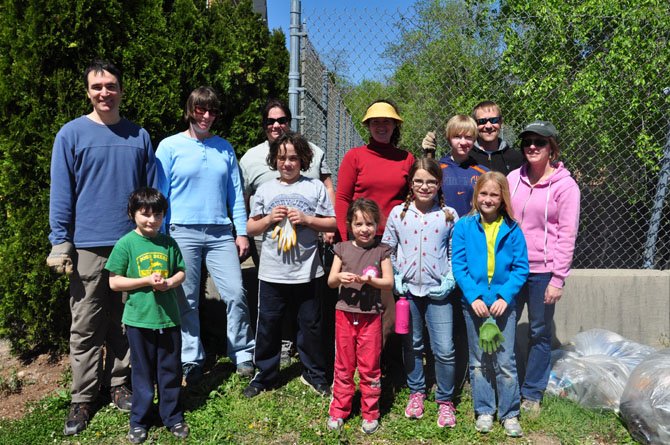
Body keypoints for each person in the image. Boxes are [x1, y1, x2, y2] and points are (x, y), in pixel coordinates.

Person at [47, 60, 156, 435]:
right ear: (88, 92)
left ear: (122, 90)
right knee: (86, 324)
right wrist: (60, 241)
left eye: (110, 85)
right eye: (97, 87)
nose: (104, 92)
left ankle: (118, 384)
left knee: (126, 323)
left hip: (132, 244)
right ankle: (82, 398)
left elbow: (152, 194)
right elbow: (62, 192)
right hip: (88, 247)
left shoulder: (138, 136)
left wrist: (156, 237)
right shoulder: (71, 134)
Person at [155, 86, 254, 384]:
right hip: (181, 231)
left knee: (236, 293)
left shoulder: (224, 147)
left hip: (220, 233)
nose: (206, 116)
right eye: (201, 109)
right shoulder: (169, 147)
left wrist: (242, 232)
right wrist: (160, 236)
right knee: (187, 299)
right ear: (190, 110)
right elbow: (159, 193)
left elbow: (235, 194)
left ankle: (243, 352)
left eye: (212, 111)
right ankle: (191, 359)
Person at [239, 98, 336, 368]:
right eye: (282, 159)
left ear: (302, 160)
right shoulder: (264, 189)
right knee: (268, 320)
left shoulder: (314, 187)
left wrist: (308, 219)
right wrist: (270, 218)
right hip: (272, 268)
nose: (287, 163)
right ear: (274, 161)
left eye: (293, 158)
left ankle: (314, 372)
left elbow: (332, 222)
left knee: (310, 322)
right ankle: (266, 373)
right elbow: (251, 225)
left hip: (307, 269)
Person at [335, 99, 415, 385]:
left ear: (395, 125)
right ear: (368, 125)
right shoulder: (355, 156)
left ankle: (387, 367)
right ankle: (352, 367)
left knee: (389, 304)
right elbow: (343, 198)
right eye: (376, 121)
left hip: (391, 242)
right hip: (359, 239)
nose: (382, 126)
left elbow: (413, 197)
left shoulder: (406, 159)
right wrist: (347, 244)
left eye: (387, 121)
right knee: (358, 303)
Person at [508, 121, 580, 417]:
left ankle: (532, 393)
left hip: (543, 272)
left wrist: (558, 279)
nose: (532, 147)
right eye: (527, 142)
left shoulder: (566, 186)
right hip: (511, 269)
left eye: (540, 141)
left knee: (539, 332)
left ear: (552, 148)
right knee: (504, 328)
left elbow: (567, 235)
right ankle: (507, 386)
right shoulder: (512, 178)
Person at [104, 188, 188, 443]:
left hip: (169, 318)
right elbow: (114, 282)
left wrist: (171, 283)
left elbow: (181, 272)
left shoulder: (168, 243)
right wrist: (144, 281)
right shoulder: (126, 243)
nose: (152, 220)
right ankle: (139, 419)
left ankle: (172, 416)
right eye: (145, 214)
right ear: (133, 214)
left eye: (158, 214)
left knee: (170, 370)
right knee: (141, 372)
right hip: (138, 321)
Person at [382, 158, 460, 428]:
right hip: (408, 295)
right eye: (419, 181)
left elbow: (454, 253)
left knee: (444, 349)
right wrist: (396, 277)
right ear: (411, 184)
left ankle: (445, 399)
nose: (424, 186)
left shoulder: (449, 215)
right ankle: (416, 391)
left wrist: (450, 278)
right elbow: (387, 248)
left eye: (430, 181)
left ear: (439, 184)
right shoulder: (398, 214)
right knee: (412, 344)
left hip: (439, 293)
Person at [451, 171, 529, 437]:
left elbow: (521, 269)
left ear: (502, 197)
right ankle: (484, 410)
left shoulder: (513, 229)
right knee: (479, 359)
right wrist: (473, 297)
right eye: (483, 194)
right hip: (474, 306)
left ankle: (509, 413)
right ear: (476, 196)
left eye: (494, 194)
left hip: (502, 307)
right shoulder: (463, 226)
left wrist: (504, 297)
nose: (488, 199)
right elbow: (459, 266)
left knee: (505, 360)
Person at [326, 199, 393, 435]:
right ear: (350, 225)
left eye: (370, 223)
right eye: (359, 224)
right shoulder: (342, 248)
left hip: (371, 317)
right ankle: (339, 409)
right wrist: (341, 277)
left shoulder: (381, 250)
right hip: (345, 314)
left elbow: (389, 282)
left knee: (370, 366)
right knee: (343, 365)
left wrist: (371, 281)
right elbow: (331, 281)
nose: (364, 229)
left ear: (377, 225)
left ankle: (370, 411)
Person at [424, 102, 523, 174]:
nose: (488, 126)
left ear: (501, 122)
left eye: (493, 120)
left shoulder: (516, 159)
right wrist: (429, 155)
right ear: (475, 124)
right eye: (482, 121)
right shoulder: (464, 155)